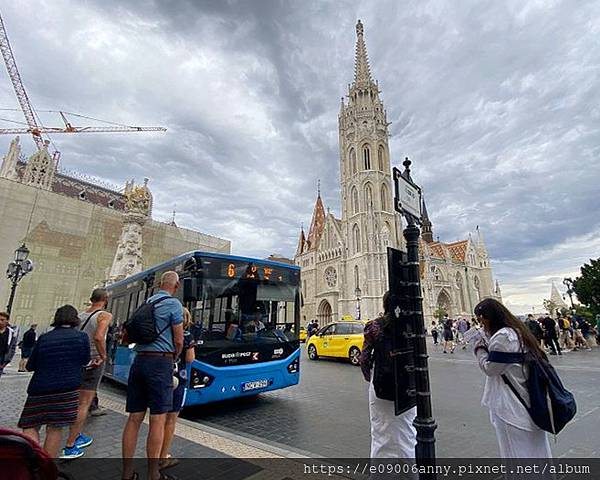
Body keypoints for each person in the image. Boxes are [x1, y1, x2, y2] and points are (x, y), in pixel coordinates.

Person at [122, 271, 184, 480]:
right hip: (160, 362)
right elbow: (178, 340)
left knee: (134, 419)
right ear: (176, 286)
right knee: (158, 419)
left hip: (139, 360)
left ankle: (127, 472)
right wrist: (174, 357)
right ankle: (153, 473)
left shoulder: (146, 302)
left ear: (159, 284)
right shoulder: (174, 305)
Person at [472, 298, 551, 458]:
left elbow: (490, 368)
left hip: (512, 407)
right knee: (537, 451)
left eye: (481, 320)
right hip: (530, 401)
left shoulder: (503, 337)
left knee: (516, 454)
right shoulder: (517, 331)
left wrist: (480, 349)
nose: (481, 325)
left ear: (489, 317)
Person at [17, 305, 90, 458]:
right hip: (67, 390)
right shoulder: (81, 337)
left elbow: (31, 366)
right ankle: (46, 468)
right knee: (55, 429)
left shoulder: (45, 338)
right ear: (75, 319)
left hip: (39, 390)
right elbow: (85, 360)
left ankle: (32, 462)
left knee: (30, 426)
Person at [360, 292, 416, 458]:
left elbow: (364, 359)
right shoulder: (411, 325)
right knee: (407, 432)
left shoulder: (373, 326)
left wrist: (370, 377)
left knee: (380, 432)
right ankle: (410, 474)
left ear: (384, 305)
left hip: (381, 384)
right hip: (407, 384)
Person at [61, 288, 113, 459]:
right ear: (105, 299)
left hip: (77, 361)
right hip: (93, 362)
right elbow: (99, 337)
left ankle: (77, 434)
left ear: (91, 299)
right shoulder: (104, 315)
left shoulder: (80, 316)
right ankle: (70, 444)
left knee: (76, 401)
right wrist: (103, 356)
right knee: (84, 404)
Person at [159, 308, 196, 470]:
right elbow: (190, 359)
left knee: (158, 418)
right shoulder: (186, 336)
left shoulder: (162, 334)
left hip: (159, 377)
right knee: (171, 420)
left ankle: (153, 455)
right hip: (178, 379)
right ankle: (163, 456)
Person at [0, 311, 18, 379]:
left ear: (7, 321)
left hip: (2, 360)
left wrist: (7, 361)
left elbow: (12, 348)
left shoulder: (11, 333)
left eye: (2, 320)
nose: (0, 322)